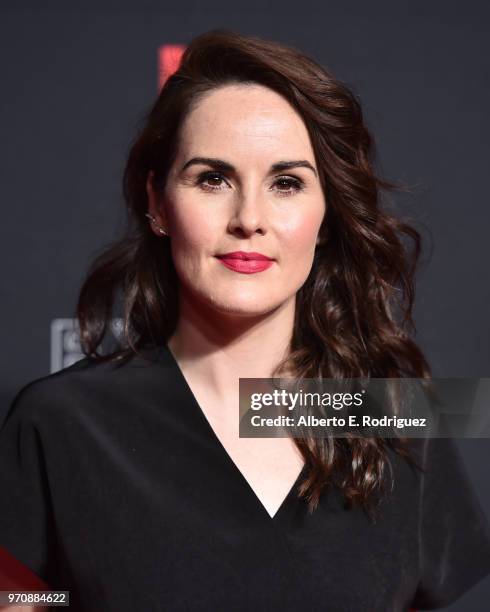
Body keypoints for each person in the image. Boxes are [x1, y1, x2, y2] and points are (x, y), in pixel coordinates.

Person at [1, 29, 490, 612]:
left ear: (326, 213)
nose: (249, 218)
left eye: (286, 183)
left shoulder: (400, 415)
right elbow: (30, 600)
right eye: (213, 178)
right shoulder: (61, 424)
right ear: (157, 203)